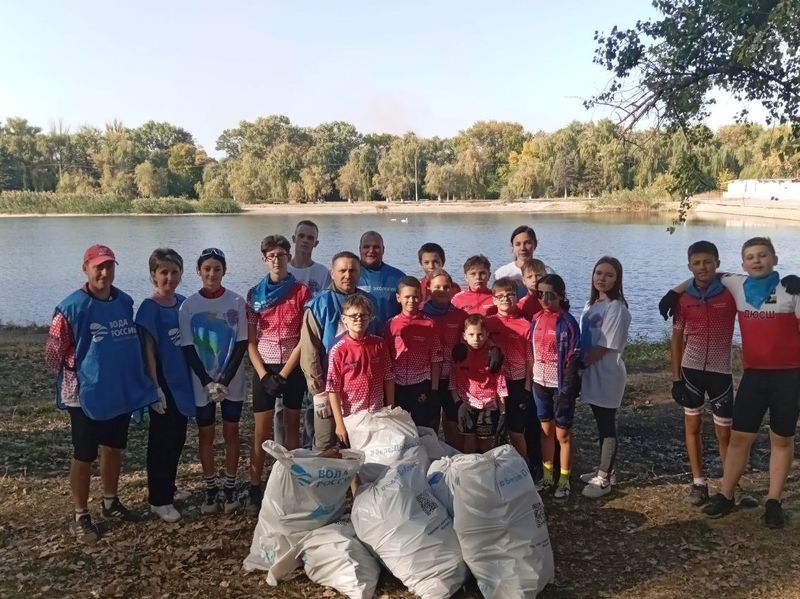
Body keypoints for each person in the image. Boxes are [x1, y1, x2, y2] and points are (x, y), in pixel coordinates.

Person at [660, 237, 800, 528]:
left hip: (789, 376)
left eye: (763, 255)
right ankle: (726, 494)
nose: (757, 261)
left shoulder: (791, 291)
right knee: (739, 438)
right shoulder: (736, 285)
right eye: (750, 257)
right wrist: (674, 292)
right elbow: (705, 274)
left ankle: (773, 501)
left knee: (782, 439)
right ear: (742, 263)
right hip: (754, 375)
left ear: (774, 258)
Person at [46, 244, 155, 543]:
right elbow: (53, 356)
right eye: (98, 266)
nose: (104, 272)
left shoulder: (124, 301)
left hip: (116, 388)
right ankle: (80, 514)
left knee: (113, 446)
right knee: (84, 454)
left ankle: (110, 501)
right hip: (83, 393)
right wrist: (81, 366)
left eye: (109, 266)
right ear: (86, 268)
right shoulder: (71, 308)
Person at [245, 235, 312, 514]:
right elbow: (250, 341)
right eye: (271, 256)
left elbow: (303, 337)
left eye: (281, 255)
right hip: (264, 367)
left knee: (292, 428)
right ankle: (254, 485)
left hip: (292, 368)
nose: (276, 260)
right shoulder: (253, 294)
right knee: (261, 431)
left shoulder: (302, 291)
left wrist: (284, 374)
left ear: (288, 257)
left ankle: (291, 482)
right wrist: (263, 375)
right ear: (264, 259)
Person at [178, 248, 248, 515]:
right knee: (206, 435)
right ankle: (210, 488)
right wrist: (208, 381)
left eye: (216, 269)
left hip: (232, 379)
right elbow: (187, 346)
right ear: (198, 271)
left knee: (231, 433)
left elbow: (241, 342)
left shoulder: (237, 301)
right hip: (201, 381)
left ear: (224, 271)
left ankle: (229, 487)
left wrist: (225, 380)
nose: (211, 274)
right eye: (206, 269)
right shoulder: (188, 306)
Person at [670, 241, 737, 506]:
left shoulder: (731, 294)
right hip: (691, 370)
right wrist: (676, 378)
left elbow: (751, 283)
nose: (702, 267)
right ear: (689, 266)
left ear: (717, 263)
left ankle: (731, 485)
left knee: (725, 434)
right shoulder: (683, 299)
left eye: (708, 262)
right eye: (696, 263)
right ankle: (698, 483)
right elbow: (676, 340)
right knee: (693, 427)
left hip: (721, 372)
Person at [135, 248, 196, 524]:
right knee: (161, 442)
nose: (169, 277)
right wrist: (154, 388)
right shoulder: (150, 308)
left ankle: (169, 486)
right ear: (153, 275)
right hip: (164, 383)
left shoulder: (182, 303)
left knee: (178, 439)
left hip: (183, 382)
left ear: (181, 274)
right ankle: (159, 499)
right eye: (163, 273)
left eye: (174, 272)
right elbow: (147, 350)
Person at [300, 251, 378, 450]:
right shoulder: (318, 305)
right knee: (325, 444)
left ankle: (359, 481)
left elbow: (376, 344)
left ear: (359, 273)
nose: (347, 275)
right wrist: (317, 390)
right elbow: (309, 351)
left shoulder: (369, 302)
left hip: (361, 388)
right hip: (327, 387)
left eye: (353, 270)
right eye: (342, 270)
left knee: (360, 444)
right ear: (332, 272)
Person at [579, 256, 631, 499]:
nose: (602, 278)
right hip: (592, 373)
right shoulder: (592, 305)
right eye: (598, 273)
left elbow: (603, 346)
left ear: (617, 279)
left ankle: (604, 479)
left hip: (607, 373)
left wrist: (579, 365)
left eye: (609, 275)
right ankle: (606, 469)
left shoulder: (616, 308)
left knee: (607, 425)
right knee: (600, 423)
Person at [530, 274, 581, 500]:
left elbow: (574, 357)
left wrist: (569, 388)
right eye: (539, 294)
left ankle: (564, 479)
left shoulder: (568, 322)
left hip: (560, 385)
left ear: (561, 295)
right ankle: (547, 476)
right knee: (545, 432)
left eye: (549, 294)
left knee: (563, 434)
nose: (544, 299)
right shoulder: (536, 318)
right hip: (539, 383)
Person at [282, 220, 330, 450]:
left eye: (310, 238)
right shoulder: (283, 269)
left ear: (316, 242)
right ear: (293, 238)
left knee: (313, 399)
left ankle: (312, 448)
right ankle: (282, 454)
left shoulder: (322, 273)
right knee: (283, 406)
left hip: (312, 344)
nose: (305, 241)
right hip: (286, 345)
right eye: (301, 236)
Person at [327, 294, 395, 448]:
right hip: (352, 416)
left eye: (363, 315)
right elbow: (333, 389)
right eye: (353, 316)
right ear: (344, 319)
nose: (359, 319)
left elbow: (389, 378)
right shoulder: (338, 350)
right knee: (353, 455)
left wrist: (390, 408)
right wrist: (339, 424)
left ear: (370, 318)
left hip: (377, 413)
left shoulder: (380, 344)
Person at [485, 277, 535, 464]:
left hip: (518, 380)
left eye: (510, 295)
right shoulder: (488, 323)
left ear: (516, 297)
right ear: (494, 299)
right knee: (494, 427)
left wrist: (528, 385)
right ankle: (496, 465)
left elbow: (531, 358)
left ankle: (524, 465)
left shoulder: (525, 325)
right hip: (494, 383)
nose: (506, 299)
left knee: (516, 429)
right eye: (501, 296)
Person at [384, 277, 443, 429]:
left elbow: (436, 358)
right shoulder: (391, 324)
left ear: (422, 297)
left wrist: (434, 389)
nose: (411, 300)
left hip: (420, 382)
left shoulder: (429, 324)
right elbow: (387, 357)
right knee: (398, 426)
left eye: (415, 297)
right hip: (397, 383)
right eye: (407, 297)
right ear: (398, 298)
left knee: (422, 425)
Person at [422, 269, 468, 445]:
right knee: (430, 420)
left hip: (452, 378)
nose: (442, 290)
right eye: (437, 287)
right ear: (428, 289)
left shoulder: (461, 316)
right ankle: (431, 456)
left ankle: (455, 457)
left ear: (452, 289)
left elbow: (473, 340)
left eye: (446, 287)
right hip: (426, 377)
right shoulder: (421, 315)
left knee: (453, 420)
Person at [450, 314, 508, 453]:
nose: (476, 339)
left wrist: (503, 413)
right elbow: (452, 381)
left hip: (488, 405)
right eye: (471, 334)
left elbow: (500, 385)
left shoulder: (493, 356)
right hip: (467, 403)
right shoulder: (459, 354)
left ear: (487, 334)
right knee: (468, 443)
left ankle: (485, 470)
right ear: (464, 336)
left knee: (485, 444)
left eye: (480, 334)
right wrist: (458, 403)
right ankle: (470, 471)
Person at [358, 230, 406, 329]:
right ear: (360, 249)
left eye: (376, 247)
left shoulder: (398, 276)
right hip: (360, 338)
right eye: (366, 247)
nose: (371, 251)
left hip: (390, 337)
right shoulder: (350, 275)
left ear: (383, 249)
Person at [494, 225, 538, 297]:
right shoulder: (501, 274)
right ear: (512, 246)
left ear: (535, 244)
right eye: (518, 244)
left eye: (527, 243)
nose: (522, 248)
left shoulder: (547, 273)